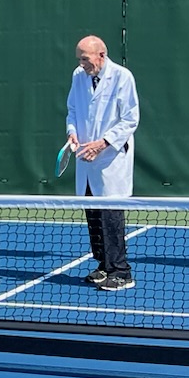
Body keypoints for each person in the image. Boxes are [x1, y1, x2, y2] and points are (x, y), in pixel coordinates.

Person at [64, 35, 140, 290]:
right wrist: (71, 132)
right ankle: (103, 265)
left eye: (85, 59)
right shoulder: (78, 76)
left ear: (101, 56)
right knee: (93, 215)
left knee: (110, 216)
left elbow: (130, 120)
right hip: (85, 159)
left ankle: (121, 271)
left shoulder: (122, 77)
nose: (82, 64)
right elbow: (72, 110)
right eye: (79, 59)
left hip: (110, 160)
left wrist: (102, 143)